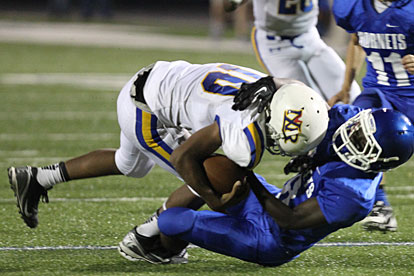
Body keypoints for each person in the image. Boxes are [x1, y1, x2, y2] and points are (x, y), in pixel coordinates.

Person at [8, 61, 329, 233]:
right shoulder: (243, 136)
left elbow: (292, 88)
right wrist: (213, 199)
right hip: (146, 108)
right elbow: (184, 156)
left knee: (130, 164)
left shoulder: (281, 89)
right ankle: (150, 239)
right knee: (213, 176)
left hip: (158, 79)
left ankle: (38, 178)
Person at [118, 104, 414, 266]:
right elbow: (314, 111)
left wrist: (248, 176)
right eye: (358, 127)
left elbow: (290, 219)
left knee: (172, 222)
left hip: (271, 239)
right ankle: (175, 234)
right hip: (273, 198)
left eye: (361, 139)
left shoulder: (355, 196)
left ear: (378, 160)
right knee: (212, 169)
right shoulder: (348, 127)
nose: (351, 134)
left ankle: (167, 253)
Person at [328, 0, 414, 232]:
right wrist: (346, 87)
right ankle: (380, 206)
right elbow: (357, 40)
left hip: (411, 93)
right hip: (380, 91)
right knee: (359, 133)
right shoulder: (352, 7)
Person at [226, 0, 361, 102]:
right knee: (306, 101)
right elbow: (229, 5)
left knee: (353, 95)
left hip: (310, 37)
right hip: (275, 45)